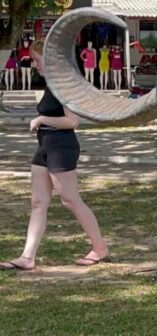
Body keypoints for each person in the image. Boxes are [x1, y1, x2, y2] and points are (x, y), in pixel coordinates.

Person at [1, 40, 109, 271]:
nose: (35, 65)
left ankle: (100, 248)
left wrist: (41, 119)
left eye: (38, 60)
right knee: (38, 202)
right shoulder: (51, 84)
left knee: (70, 199)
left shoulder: (62, 85)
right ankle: (27, 257)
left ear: (49, 60)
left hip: (62, 146)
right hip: (45, 145)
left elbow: (73, 121)